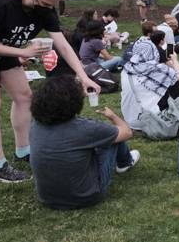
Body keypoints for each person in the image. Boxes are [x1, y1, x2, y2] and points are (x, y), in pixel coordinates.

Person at [0, 0, 101, 183]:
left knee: (24, 97)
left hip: (7, 49)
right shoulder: (1, 1)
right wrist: (22, 52)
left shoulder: (45, 10)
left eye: (52, 5)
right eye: (45, 3)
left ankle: (23, 150)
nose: (47, 9)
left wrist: (83, 76)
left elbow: (64, 46)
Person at [30, 76, 139, 209]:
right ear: (74, 102)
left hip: (47, 198)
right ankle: (125, 163)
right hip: (86, 197)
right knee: (112, 138)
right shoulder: (85, 128)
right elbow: (127, 132)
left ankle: (124, 161)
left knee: (104, 137)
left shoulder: (35, 125)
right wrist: (112, 116)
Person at [121, 30, 179, 131]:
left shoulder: (126, 68)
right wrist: (175, 61)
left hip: (130, 120)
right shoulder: (155, 68)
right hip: (151, 121)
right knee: (178, 83)